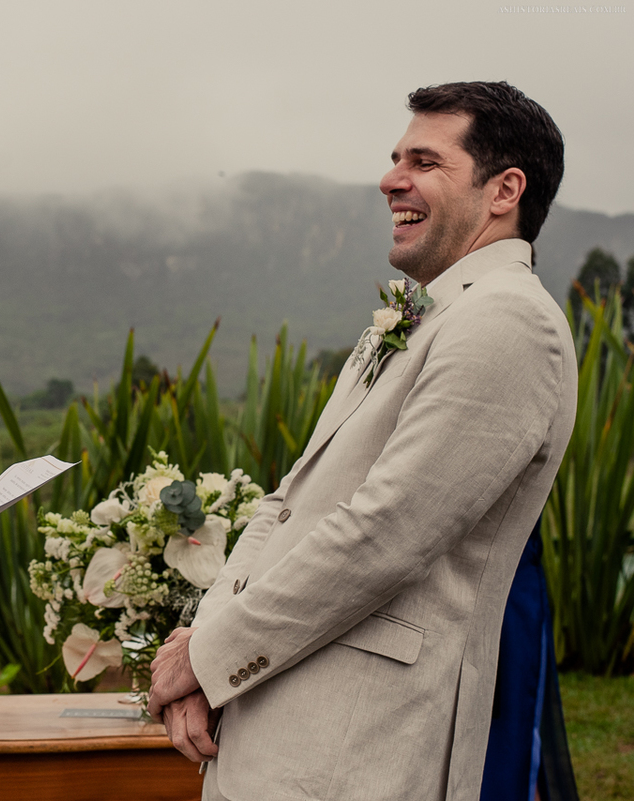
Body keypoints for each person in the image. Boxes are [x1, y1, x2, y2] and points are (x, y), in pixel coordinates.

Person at [147, 81, 577, 801]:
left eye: (425, 161)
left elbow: (387, 532)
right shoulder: (424, 314)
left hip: (359, 749)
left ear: (504, 189)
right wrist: (200, 645)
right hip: (274, 727)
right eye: (395, 157)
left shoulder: (509, 322)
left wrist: (208, 655)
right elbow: (287, 503)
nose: (391, 179)